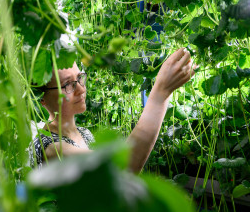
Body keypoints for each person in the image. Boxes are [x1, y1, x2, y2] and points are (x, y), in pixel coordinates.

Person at [32, 48, 196, 173]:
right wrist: (160, 93)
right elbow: (118, 171)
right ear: (42, 98)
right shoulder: (50, 147)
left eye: (80, 78)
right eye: (68, 85)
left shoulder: (84, 133)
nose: (81, 90)